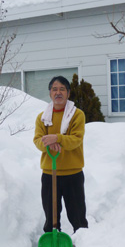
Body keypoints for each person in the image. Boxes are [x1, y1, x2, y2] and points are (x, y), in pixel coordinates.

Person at [33, 76, 88, 233]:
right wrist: (47, 142)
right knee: (51, 216)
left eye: (62, 89)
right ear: (50, 93)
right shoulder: (42, 118)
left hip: (73, 174)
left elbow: (76, 140)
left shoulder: (77, 115)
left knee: (78, 215)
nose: (58, 92)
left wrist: (56, 138)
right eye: (54, 89)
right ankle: (53, 242)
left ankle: (84, 243)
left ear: (68, 93)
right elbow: (37, 141)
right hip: (50, 174)